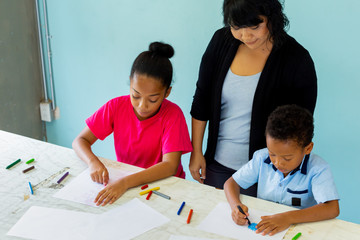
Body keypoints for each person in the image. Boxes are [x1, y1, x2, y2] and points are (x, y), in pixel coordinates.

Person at [189, 0, 317, 194]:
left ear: (271, 17)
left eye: (255, 26)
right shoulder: (220, 41)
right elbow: (202, 100)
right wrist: (196, 151)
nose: (246, 35)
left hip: (269, 173)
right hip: (217, 166)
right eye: (236, 27)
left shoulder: (297, 59)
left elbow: (301, 125)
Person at [72, 42, 192, 206]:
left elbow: (170, 165)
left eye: (153, 99)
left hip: (165, 188)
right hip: (128, 184)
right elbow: (80, 141)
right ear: (130, 83)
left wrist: (125, 183)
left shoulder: (173, 115)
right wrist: (93, 162)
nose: (142, 105)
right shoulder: (115, 106)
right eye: (136, 95)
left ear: (167, 92)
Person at [224, 105, 339, 236]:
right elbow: (231, 183)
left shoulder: (318, 169)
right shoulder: (261, 158)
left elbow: (332, 209)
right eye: (272, 154)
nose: (278, 163)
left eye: (287, 158)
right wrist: (235, 206)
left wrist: (288, 217)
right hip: (264, 227)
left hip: (301, 229)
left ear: (308, 148)